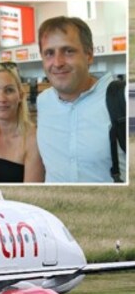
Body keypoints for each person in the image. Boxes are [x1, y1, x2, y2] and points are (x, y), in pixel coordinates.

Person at [36, 16, 125, 183]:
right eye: (49, 53)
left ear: (89, 55)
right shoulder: (43, 102)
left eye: (68, 51)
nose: (57, 62)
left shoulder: (122, 99)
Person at [0, 62, 44, 183]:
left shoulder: (34, 140)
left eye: (9, 90)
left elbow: (30, 195)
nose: (1, 99)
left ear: (20, 96)